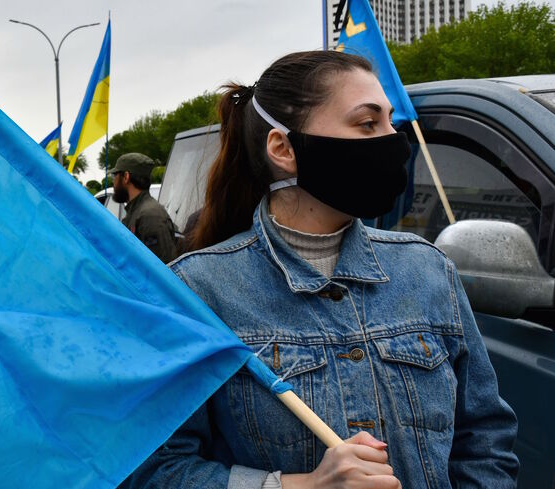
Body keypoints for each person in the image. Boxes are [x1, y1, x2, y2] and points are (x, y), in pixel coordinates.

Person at [125, 51, 519, 489]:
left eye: (391, 123)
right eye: (368, 124)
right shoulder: (197, 292)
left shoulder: (428, 270)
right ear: (283, 149)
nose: (395, 142)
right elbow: (155, 471)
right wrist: (300, 485)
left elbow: (484, 440)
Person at [111, 152, 179, 263]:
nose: (113, 182)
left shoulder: (150, 216)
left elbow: (162, 268)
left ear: (126, 177)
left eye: (115, 176)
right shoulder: (136, 211)